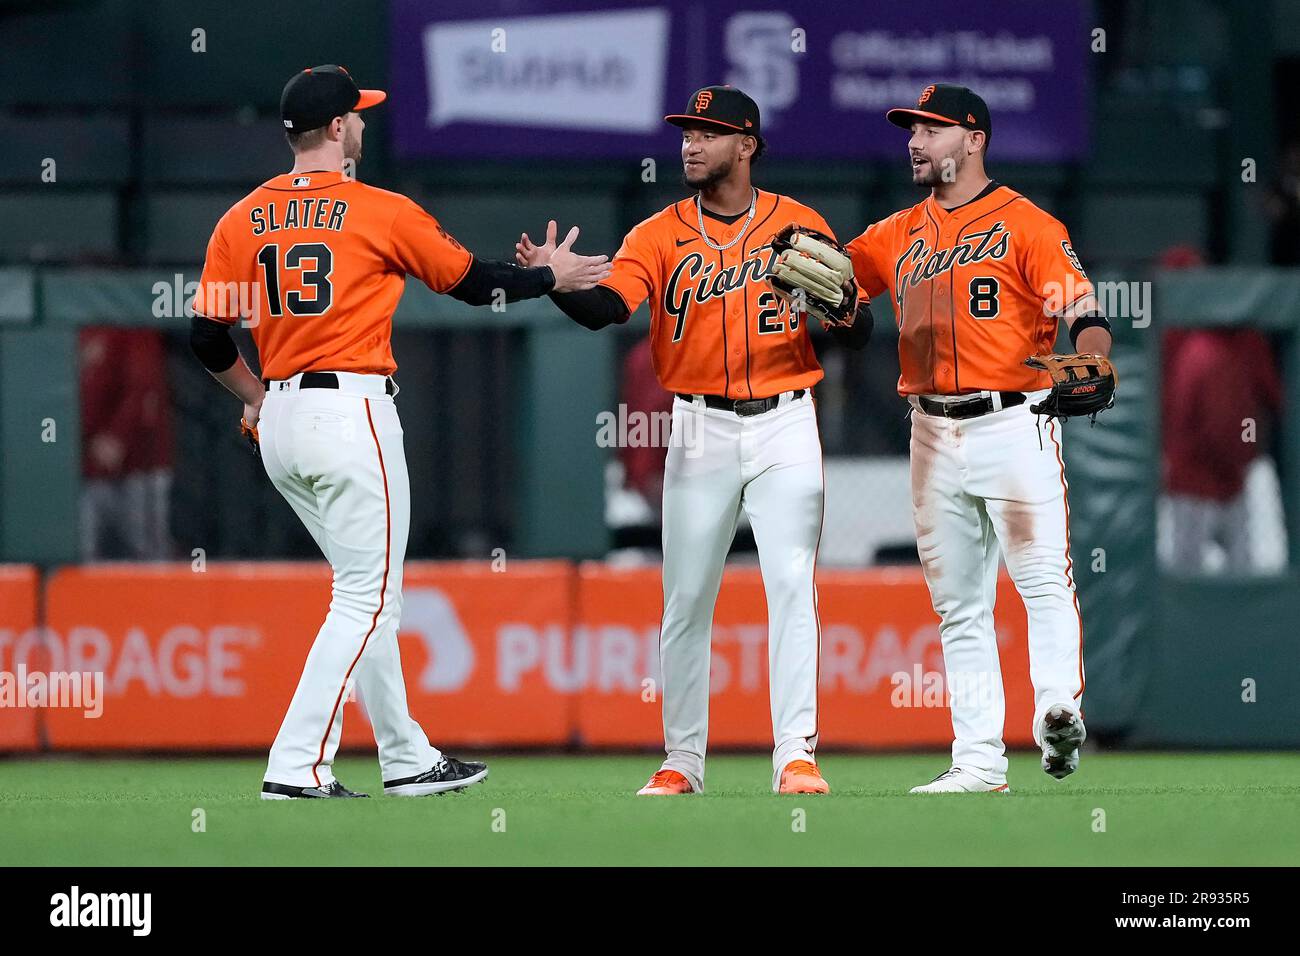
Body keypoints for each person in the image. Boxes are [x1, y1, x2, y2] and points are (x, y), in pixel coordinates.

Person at [189, 65, 610, 799]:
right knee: (367, 597)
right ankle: (295, 766)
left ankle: (405, 756)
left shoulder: (239, 219)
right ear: (335, 129)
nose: (364, 123)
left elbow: (205, 336)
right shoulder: (377, 209)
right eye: (357, 115)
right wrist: (551, 278)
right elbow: (476, 285)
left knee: (365, 589)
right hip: (350, 413)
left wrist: (257, 398)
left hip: (284, 419)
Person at [517, 86, 873, 796]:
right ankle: (682, 760)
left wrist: (841, 305)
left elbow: (858, 331)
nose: (691, 144)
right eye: (686, 132)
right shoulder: (656, 234)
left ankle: (795, 754)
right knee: (684, 599)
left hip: (785, 419)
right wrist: (554, 284)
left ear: (747, 145)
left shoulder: (798, 224)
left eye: (708, 133)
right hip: (699, 425)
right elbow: (604, 310)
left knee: (791, 587)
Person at [846, 84, 1112, 793]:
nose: (915, 141)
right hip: (930, 430)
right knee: (959, 603)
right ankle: (978, 762)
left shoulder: (1027, 223)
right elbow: (834, 282)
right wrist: (796, 269)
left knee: (1040, 579)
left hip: (1012, 420)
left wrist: (1094, 351)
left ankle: (1057, 707)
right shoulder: (896, 232)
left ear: (973, 139)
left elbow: (1083, 310)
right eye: (911, 129)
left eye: (931, 129)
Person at [80, 327, 175, 560]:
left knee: (149, 556)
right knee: (79, 557)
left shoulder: (132, 323)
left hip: (140, 464)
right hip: (81, 466)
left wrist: (117, 436)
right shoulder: (71, 324)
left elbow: (144, 386)